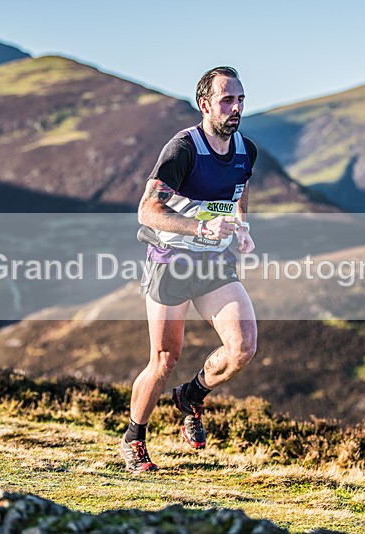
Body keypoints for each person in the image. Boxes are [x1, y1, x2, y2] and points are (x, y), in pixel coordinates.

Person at [119, 66, 258, 472]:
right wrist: (200, 227)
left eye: (240, 99)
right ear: (205, 105)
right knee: (164, 359)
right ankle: (133, 438)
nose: (236, 108)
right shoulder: (183, 149)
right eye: (227, 100)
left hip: (214, 262)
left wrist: (242, 227)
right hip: (171, 262)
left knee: (243, 348)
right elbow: (147, 211)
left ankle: (192, 395)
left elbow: (239, 190)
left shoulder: (246, 150)